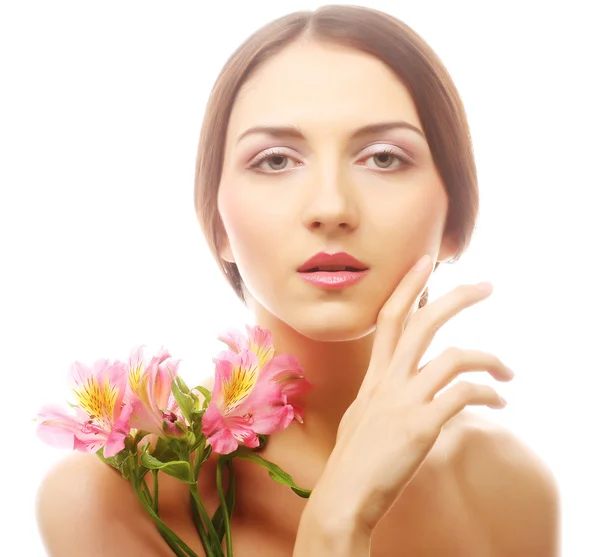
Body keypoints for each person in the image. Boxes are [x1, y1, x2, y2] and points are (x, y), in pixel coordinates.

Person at [36, 5, 560, 556]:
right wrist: (337, 521)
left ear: (456, 219)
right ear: (218, 225)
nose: (331, 207)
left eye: (383, 157)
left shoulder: (510, 486)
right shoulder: (115, 497)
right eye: (276, 160)